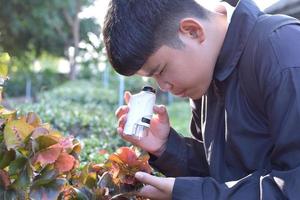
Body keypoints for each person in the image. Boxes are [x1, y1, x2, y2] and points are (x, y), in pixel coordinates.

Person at [103, 0, 300, 199]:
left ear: (192, 31)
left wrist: (193, 194)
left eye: (161, 70)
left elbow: (294, 187)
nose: (163, 86)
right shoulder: (206, 76)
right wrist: (167, 148)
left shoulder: (283, 50)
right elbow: (222, 176)